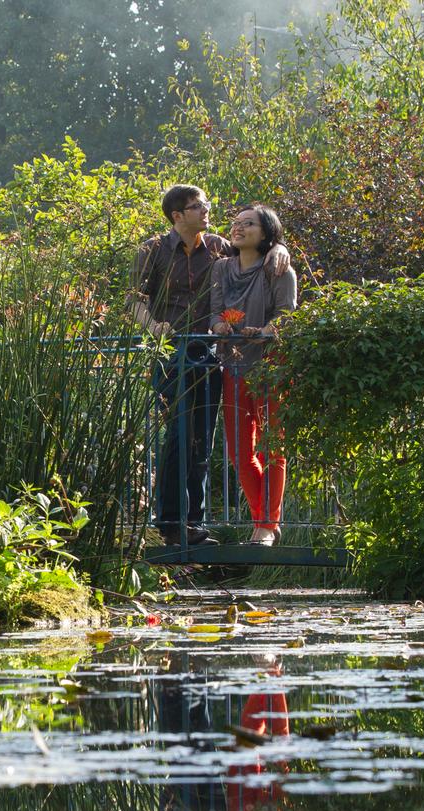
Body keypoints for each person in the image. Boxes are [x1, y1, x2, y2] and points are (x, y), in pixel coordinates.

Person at [131, 186, 288, 547]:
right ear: (177, 215)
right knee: (179, 435)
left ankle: (195, 525)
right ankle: (171, 523)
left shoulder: (218, 246)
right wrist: (154, 328)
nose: (207, 211)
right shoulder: (152, 250)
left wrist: (280, 246)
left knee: (203, 438)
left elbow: (257, 248)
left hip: (210, 354)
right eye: (198, 206)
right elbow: (134, 300)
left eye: (206, 205)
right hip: (172, 352)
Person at [211, 204, 297, 547]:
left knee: (273, 446)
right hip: (232, 364)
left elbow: (286, 317)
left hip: (271, 364)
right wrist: (219, 325)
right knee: (239, 451)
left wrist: (263, 331)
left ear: (266, 232)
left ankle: (264, 525)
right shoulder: (221, 268)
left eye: (249, 224)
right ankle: (266, 520)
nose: (239, 228)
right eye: (236, 223)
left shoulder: (279, 269)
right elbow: (215, 310)